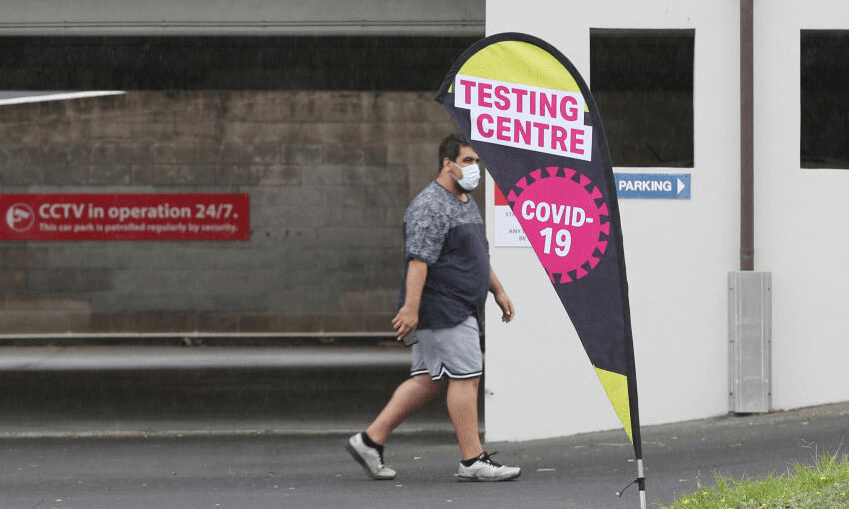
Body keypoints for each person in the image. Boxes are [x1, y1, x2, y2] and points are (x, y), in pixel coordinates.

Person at [346, 133, 521, 482]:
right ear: (447, 163)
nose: (475, 168)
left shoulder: (464, 201)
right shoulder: (430, 205)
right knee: (466, 377)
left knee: (429, 379)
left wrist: (497, 290)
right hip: (444, 310)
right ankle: (472, 461)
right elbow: (418, 262)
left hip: (456, 309)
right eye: (469, 161)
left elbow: (476, 256)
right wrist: (411, 308)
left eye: (477, 162)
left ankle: (370, 440)